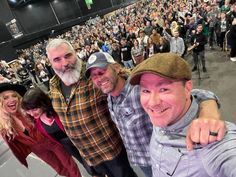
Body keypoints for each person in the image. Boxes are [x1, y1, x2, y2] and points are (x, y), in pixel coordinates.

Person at [85, 52, 225, 177]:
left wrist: (209, 112)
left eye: (101, 72)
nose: (98, 78)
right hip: (140, 160)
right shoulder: (109, 97)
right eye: (93, 76)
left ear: (116, 68)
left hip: (162, 159)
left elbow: (193, 93)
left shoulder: (138, 89)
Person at [129, 53, 235, 177]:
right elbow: (196, 94)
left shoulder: (214, 142)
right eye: (146, 90)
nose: (152, 103)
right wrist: (208, 105)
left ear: (187, 88)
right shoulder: (164, 114)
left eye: (164, 89)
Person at [46, 38, 137, 177]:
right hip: (89, 155)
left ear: (75, 53)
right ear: (50, 63)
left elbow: (125, 78)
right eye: (57, 59)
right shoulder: (53, 86)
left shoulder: (93, 74)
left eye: (68, 55)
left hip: (111, 150)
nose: (65, 63)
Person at [0, 83, 82, 177]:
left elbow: (44, 108)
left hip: (51, 141)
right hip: (39, 150)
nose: (11, 99)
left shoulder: (27, 111)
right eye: (5, 98)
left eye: (14, 96)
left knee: (69, 165)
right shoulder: (4, 126)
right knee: (60, 170)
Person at [21, 87, 98, 176]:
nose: (32, 114)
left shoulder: (57, 110)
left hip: (79, 139)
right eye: (28, 111)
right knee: (85, 163)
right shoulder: (37, 122)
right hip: (66, 145)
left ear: (42, 103)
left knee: (94, 160)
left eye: (34, 109)